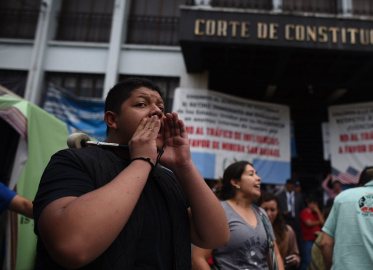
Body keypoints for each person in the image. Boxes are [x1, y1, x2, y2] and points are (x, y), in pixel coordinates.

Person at [33, 77, 229, 269]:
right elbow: (72, 246)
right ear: (112, 119)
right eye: (142, 104)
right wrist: (142, 160)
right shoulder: (74, 161)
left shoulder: (168, 177)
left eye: (161, 108)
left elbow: (216, 236)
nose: (157, 112)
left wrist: (184, 165)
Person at [192, 161, 285, 270]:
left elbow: (275, 255)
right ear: (235, 182)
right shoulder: (219, 211)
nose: (258, 178)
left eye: (257, 173)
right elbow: (198, 258)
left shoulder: (262, 213)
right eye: (251, 174)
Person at [257, 191, 301, 269]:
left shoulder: (287, 231)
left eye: (272, 210)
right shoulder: (251, 230)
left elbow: (295, 254)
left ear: (278, 211)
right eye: (265, 209)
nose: (268, 214)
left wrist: (294, 260)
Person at [278, 179, 305, 249]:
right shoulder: (280, 196)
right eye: (288, 185)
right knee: (285, 239)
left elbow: (303, 209)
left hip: (296, 221)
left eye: (291, 185)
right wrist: (283, 212)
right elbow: (277, 209)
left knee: (297, 240)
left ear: (293, 186)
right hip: (285, 220)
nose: (290, 186)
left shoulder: (299, 196)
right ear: (286, 186)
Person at [299, 196, 324, 270]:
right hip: (307, 240)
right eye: (312, 203)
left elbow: (323, 223)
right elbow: (308, 223)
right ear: (308, 203)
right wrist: (319, 222)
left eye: (315, 203)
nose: (313, 205)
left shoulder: (317, 213)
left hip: (317, 240)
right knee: (307, 261)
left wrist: (318, 211)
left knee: (316, 261)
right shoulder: (304, 212)